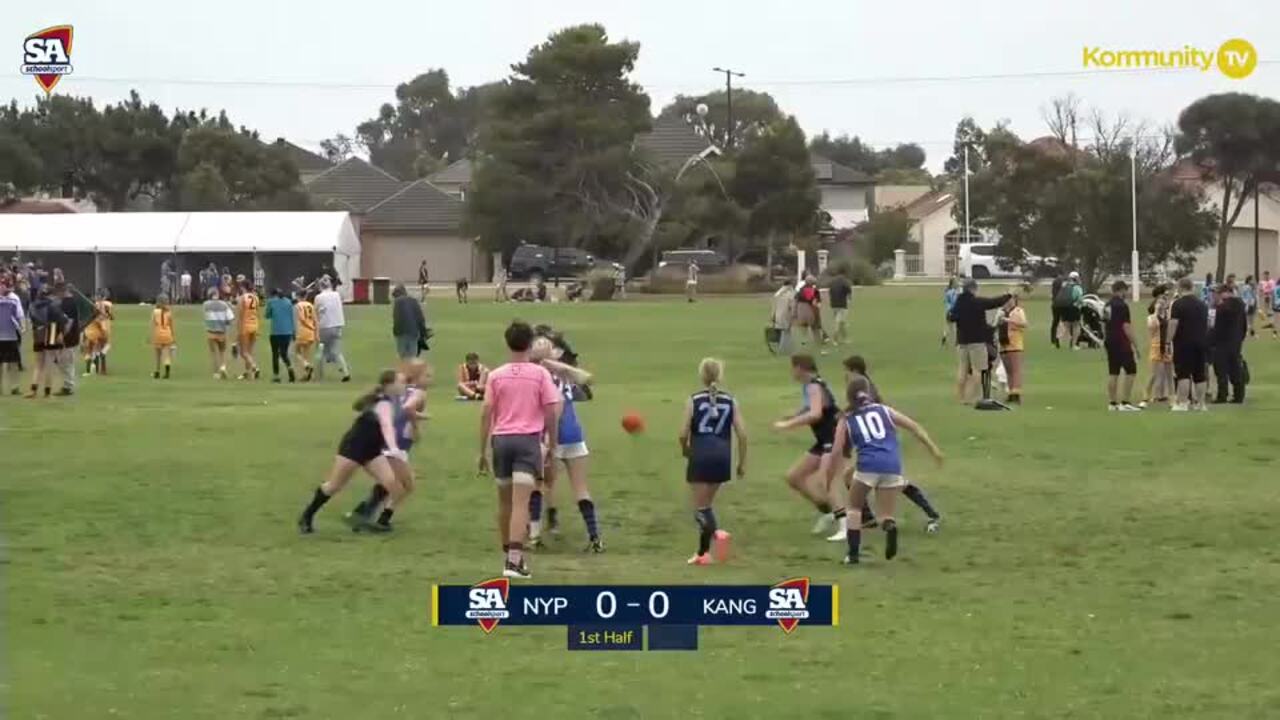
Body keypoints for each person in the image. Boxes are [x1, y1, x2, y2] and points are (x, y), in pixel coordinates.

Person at [826, 375, 944, 565]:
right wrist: (934, 450)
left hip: (866, 466)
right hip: (892, 466)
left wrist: (830, 475)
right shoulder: (884, 410)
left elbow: (836, 451)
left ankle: (853, 555)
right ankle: (890, 527)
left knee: (854, 508)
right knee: (885, 516)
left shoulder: (846, 419)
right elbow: (914, 427)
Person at [477, 321, 563, 580]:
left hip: (501, 441)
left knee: (504, 502)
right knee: (520, 503)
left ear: (507, 343)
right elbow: (550, 410)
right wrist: (552, 443)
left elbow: (486, 412)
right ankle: (514, 561)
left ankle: (509, 554)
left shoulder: (495, 375)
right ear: (529, 344)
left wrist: (481, 451)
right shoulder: (540, 375)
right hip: (527, 441)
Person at [840, 355, 943, 533]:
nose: (844, 376)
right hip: (876, 442)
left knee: (892, 482)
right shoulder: (863, 387)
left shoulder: (862, 389)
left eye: (846, 372)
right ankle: (868, 517)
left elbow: (866, 411)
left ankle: (867, 517)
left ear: (854, 372)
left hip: (878, 442)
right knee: (864, 478)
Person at [297, 370, 408, 534]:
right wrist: (393, 448)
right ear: (389, 385)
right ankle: (307, 516)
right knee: (334, 486)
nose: (404, 385)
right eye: (401, 382)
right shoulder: (383, 403)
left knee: (391, 483)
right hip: (354, 447)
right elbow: (386, 427)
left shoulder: (391, 401)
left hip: (372, 450)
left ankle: (361, 516)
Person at [528, 336, 604, 553]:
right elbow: (587, 378)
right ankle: (595, 537)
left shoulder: (537, 374)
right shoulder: (562, 373)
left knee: (538, 484)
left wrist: (548, 440)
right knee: (580, 488)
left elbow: (555, 406)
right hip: (574, 433)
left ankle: (534, 536)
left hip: (549, 433)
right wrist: (556, 365)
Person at [678, 357, 747, 565]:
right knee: (706, 505)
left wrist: (686, 450)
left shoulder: (693, 400)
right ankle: (712, 540)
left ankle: (705, 549)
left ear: (702, 376)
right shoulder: (731, 401)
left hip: (700, 454)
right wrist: (741, 463)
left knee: (700, 508)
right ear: (720, 376)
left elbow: (682, 433)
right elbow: (743, 435)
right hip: (723, 456)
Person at [352, 359, 431, 531]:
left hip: (387, 443)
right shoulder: (418, 393)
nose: (430, 379)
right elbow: (408, 409)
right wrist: (418, 425)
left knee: (390, 483)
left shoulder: (400, 391)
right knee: (406, 486)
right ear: (417, 377)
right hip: (396, 445)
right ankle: (380, 520)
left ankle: (364, 513)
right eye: (427, 375)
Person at [773, 354, 845, 539]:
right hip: (823, 440)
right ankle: (828, 512)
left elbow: (815, 414)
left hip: (833, 438)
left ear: (800, 368)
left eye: (792, 367)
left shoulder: (813, 386)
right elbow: (814, 407)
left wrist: (788, 425)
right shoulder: (812, 384)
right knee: (794, 477)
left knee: (826, 481)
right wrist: (793, 414)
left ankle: (845, 527)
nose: (791, 372)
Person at [953, 278, 1012, 403]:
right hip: (977, 341)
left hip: (962, 341)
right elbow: (993, 302)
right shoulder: (977, 302)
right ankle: (972, 398)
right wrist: (1008, 295)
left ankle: (960, 397)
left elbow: (952, 316)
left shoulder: (959, 302)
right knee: (977, 369)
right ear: (973, 289)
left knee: (962, 369)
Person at [1168, 277, 1210, 412]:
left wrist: (1168, 341)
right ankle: (1201, 404)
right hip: (1201, 342)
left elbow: (1173, 324)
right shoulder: (1202, 304)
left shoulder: (1178, 304)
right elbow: (1207, 324)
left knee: (1183, 374)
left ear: (1180, 288)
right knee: (1200, 374)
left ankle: (1183, 402)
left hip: (1183, 343)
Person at [1103, 280, 1140, 411]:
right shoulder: (1122, 306)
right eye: (1126, 291)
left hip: (1109, 340)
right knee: (1131, 370)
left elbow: (1105, 323)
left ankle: (1112, 403)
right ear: (1121, 290)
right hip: (1121, 341)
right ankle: (1125, 402)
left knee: (1113, 372)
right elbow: (1126, 326)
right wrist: (1135, 345)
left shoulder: (1107, 305)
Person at [25, 286, 68, 398]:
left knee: (38, 364)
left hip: (38, 334)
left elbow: (31, 320)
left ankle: (33, 389)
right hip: (52, 331)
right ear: (50, 295)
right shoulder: (54, 305)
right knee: (49, 363)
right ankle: (47, 391)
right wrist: (61, 332)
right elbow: (63, 320)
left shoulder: (33, 305)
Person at [1211, 283, 1248, 404]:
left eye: (1216, 294)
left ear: (1223, 293)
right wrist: (1240, 338)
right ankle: (1239, 395)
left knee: (1221, 370)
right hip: (1235, 342)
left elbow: (1218, 328)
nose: (1214, 296)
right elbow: (1244, 326)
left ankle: (1222, 396)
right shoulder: (1240, 305)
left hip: (1222, 343)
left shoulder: (1221, 308)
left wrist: (1211, 341)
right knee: (1235, 369)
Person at [1141, 286, 1174, 407]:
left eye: (1163, 303)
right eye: (1159, 303)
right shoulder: (1152, 318)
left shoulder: (1167, 317)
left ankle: (1172, 398)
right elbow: (1151, 326)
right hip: (1156, 346)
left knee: (1169, 374)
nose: (1161, 304)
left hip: (1167, 346)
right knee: (1153, 374)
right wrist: (1156, 312)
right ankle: (1145, 397)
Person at [314, 278, 351, 383]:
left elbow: (315, 311)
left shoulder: (319, 297)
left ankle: (319, 375)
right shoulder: (337, 295)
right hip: (338, 325)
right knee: (337, 351)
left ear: (320, 286)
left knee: (321, 349)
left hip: (325, 326)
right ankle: (345, 372)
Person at [997, 293, 1027, 404]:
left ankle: (1016, 393)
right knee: (1008, 370)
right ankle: (1010, 392)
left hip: (1015, 343)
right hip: (1004, 343)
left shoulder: (1018, 311)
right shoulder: (1001, 312)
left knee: (1016, 370)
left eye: (1010, 300)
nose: (1008, 302)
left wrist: (1008, 321)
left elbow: (1024, 324)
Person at [264, 288, 296, 383]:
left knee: (275, 354)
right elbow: (291, 317)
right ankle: (290, 370)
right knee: (284, 353)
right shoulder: (289, 302)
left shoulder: (271, 302)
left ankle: (276, 376)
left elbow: (267, 315)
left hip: (276, 332)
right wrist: (294, 332)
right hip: (288, 331)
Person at [0, 275, 25, 395]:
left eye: (4, 285)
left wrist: (23, 327)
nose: (2, 287)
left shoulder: (14, 299)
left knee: (13, 362)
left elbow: (20, 315)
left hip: (11, 336)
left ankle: (14, 387)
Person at [202, 288, 235, 379]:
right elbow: (230, 318)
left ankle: (216, 373)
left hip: (211, 331)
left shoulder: (206, 305)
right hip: (221, 331)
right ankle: (223, 367)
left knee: (213, 353)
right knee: (222, 352)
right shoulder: (224, 305)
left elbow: (206, 317)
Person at [81, 289, 114, 376]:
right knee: (98, 350)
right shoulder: (106, 304)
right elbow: (110, 316)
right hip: (102, 328)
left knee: (95, 350)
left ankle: (96, 369)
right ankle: (99, 369)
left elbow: (103, 316)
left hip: (100, 329)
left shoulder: (101, 305)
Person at [391, 284, 427, 360]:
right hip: (413, 333)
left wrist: (395, 332)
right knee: (412, 358)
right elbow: (420, 318)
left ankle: (405, 370)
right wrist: (423, 333)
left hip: (401, 333)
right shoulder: (414, 301)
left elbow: (396, 319)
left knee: (403, 358)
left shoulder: (397, 302)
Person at [236, 281, 261, 380]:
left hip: (245, 326)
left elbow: (240, 315)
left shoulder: (242, 298)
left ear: (243, 287)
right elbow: (257, 313)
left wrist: (238, 329)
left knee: (243, 352)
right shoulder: (256, 297)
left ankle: (255, 367)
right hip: (254, 325)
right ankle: (247, 372)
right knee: (249, 352)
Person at [1054, 272, 1084, 349]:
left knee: (1066, 325)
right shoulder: (1077, 287)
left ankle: (1058, 337)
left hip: (1062, 308)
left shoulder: (1064, 286)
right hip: (1073, 307)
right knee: (1076, 326)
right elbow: (1080, 299)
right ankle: (1073, 345)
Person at [293, 291, 318, 382]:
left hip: (302, 331)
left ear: (299, 296)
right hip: (311, 333)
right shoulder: (311, 305)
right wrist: (314, 330)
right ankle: (306, 375)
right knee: (306, 354)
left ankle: (307, 366)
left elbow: (302, 319)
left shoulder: (298, 305)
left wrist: (308, 326)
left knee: (296, 352)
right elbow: (315, 320)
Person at [794, 275, 824, 352]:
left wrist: (795, 313)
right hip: (810, 311)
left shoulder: (800, 290)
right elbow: (815, 303)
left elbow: (795, 301)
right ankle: (818, 343)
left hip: (800, 311)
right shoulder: (814, 290)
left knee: (804, 329)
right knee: (815, 328)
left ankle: (804, 344)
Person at [150, 294, 176, 380]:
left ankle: (157, 372)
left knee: (157, 355)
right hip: (167, 334)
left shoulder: (155, 312)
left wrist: (151, 336)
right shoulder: (169, 313)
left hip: (158, 334)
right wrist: (173, 337)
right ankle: (167, 372)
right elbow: (171, 325)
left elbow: (153, 324)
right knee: (166, 354)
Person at [769, 281, 796, 355]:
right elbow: (792, 307)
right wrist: (794, 316)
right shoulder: (790, 294)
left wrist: (772, 316)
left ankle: (782, 348)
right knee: (786, 333)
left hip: (777, 316)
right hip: (786, 315)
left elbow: (773, 306)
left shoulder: (777, 294)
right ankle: (785, 349)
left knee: (780, 332)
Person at [827, 272, 852, 345]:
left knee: (842, 322)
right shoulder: (845, 283)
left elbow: (830, 293)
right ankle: (835, 339)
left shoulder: (833, 283)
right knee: (838, 322)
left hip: (834, 305)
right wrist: (849, 301)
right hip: (842, 306)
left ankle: (844, 339)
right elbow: (849, 292)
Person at [942, 277, 959, 347]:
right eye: (956, 282)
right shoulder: (954, 292)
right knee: (956, 326)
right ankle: (956, 342)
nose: (957, 283)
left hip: (947, 311)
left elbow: (944, 301)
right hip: (953, 311)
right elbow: (954, 302)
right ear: (952, 284)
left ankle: (945, 337)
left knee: (949, 327)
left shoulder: (947, 292)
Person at [1048, 274, 1064, 348]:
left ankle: (1053, 339)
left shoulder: (1054, 287)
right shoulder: (1062, 287)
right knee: (1064, 323)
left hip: (1055, 304)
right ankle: (1058, 337)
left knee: (1055, 322)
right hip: (1062, 305)